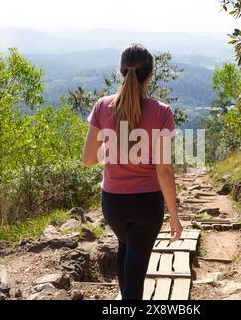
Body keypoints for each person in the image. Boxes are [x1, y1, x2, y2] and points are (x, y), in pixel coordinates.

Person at [82, 43, 182, 300]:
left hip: (113, 203)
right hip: (146, 203)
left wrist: (114, 149)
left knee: (126, 249)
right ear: (150, 75)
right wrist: (174, 215)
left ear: (120, 72)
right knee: (136, 272)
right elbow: (164, 170)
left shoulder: (102, 106)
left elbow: (89, 159)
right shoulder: (161, 112)